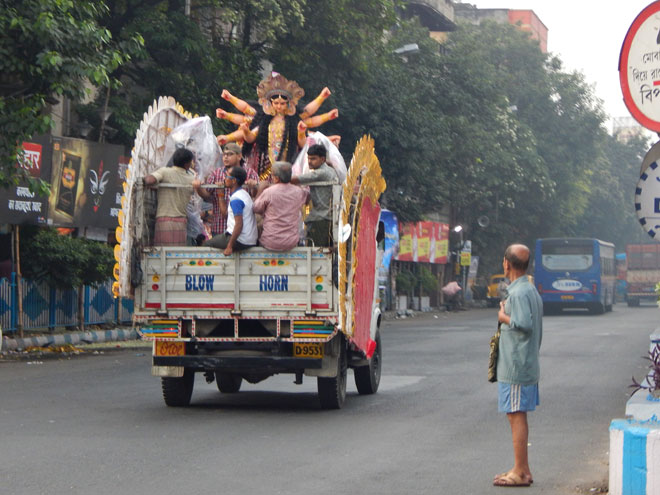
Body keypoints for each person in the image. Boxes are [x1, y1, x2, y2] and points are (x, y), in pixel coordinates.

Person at [215, 74, 338, 180]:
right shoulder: (263, 120)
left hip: (289, 165)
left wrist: (301, 131)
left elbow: (303, 142)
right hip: (265, 165)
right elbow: (250, 137)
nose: (279, 106)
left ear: (289, 104)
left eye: (283, 104)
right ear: (269, 103)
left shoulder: (294, 121)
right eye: (276, 103)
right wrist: (244, 130)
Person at [493, 244, 543, 488]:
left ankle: (519, 472)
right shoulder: (528, 290)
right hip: (523, 363)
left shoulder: (520, 293)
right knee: (516, 415)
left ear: (506, 264)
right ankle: (522, 469)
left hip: (516, 365)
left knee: (516, 415)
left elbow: (523, 323)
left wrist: (503, 318)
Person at [143, 148, 205, 246]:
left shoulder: (164, 172)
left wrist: (144, 180)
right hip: (181, 222)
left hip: (163, 221)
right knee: (176, 256)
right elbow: (204, 195)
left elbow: (149, 180)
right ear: (187, 164)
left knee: (161, 254)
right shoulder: (191, 179)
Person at [202, 143, 258, 236]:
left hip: (243, 229)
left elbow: (255, 196)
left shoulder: (250, 173)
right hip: (220, 227)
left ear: (239, 156)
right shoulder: (216, 173)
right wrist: (198, 187)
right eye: (224, 154)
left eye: (230, 154)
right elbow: (206, 194)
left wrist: (254, 186)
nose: (226, 157)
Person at [253, 161, 309, 251]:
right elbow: (307, 196)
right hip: (291, 242)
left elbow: (256, 208)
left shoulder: (269, 192)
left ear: (276, 178)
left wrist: (260, 189)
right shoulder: (298, 191)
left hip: (269, 242)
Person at [291, 144, 338, 247]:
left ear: (322, 159)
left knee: (318, 252)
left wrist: (280, 178)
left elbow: (296, 179)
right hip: (326, 217)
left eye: (313, 159)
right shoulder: (329, 170)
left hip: (321, 218)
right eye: (308, 158)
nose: (309, 161)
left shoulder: (322, 173)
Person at [205, 166, 257, 256]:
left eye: (227, 176)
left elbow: (239, 224)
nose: (224, 179)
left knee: (206, 245)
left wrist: (230, 246)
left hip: (241, 240)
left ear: (233, 181)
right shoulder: (244, 194)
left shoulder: (236, 199)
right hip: (249, 239)